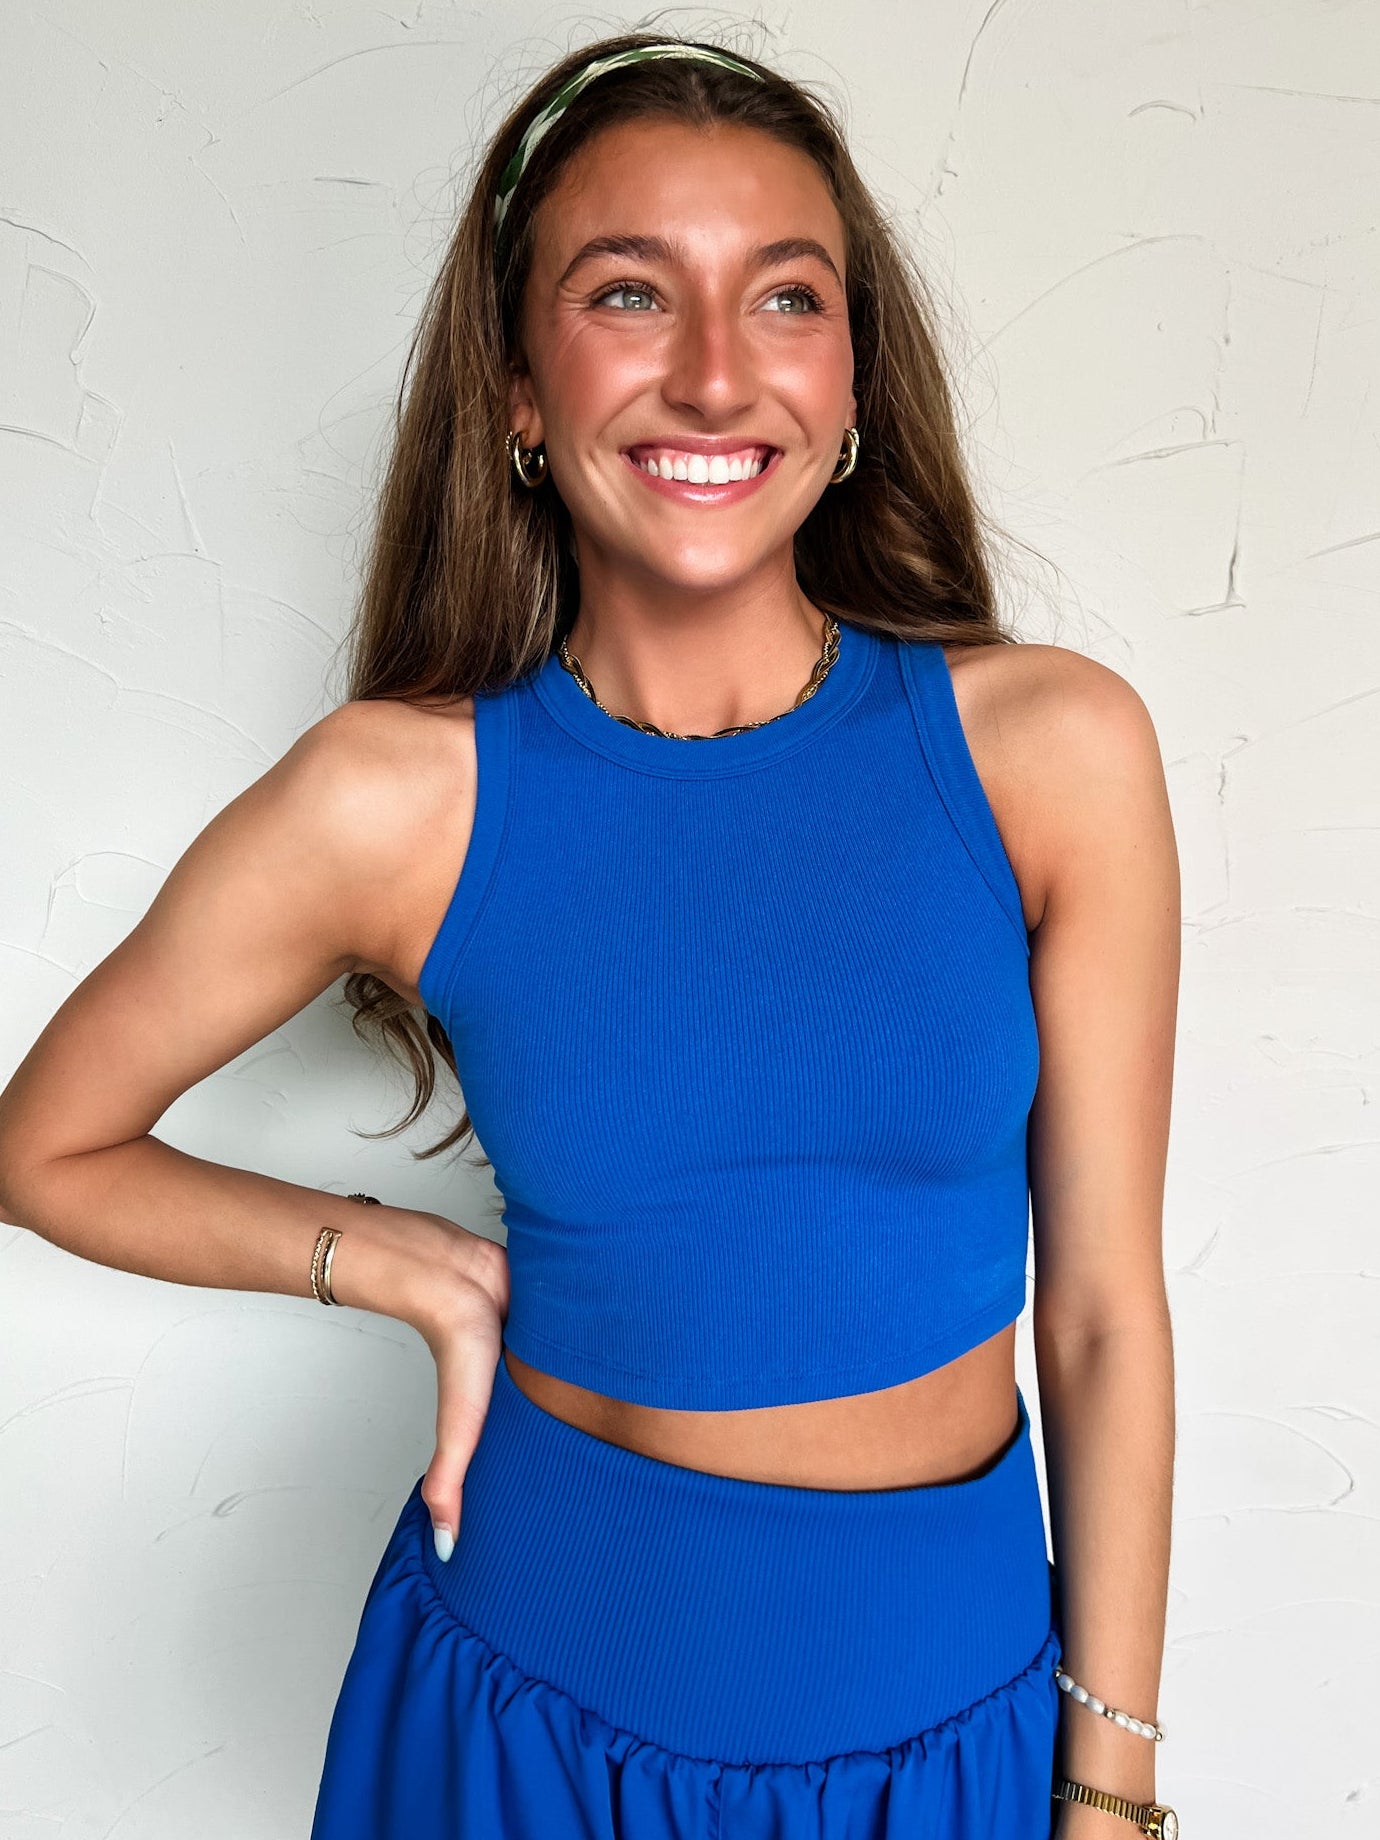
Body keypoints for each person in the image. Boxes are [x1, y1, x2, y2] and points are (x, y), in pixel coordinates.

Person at [0, 31, 1181, 1840]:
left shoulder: (1050, 754)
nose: (715, 376)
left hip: (951, 1734)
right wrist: (400, 1261)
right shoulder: (398, 798)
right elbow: (46, 1143)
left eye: (785, 299)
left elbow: (1100, 1313)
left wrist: (1113, 1788)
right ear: (522, 392)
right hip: (532, 1726)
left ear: (852, 378)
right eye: (630, 293)